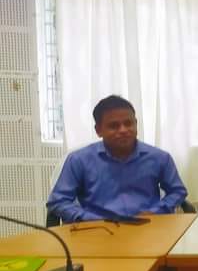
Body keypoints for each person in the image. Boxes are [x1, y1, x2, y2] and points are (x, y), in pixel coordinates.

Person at [47, 95, 188, 223]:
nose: (123, 130)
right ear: (98, 130)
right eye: (114, 126)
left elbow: (178, 191)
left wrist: (156, 212)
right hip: (98, 230)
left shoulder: (159, 158)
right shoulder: (79, 160)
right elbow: (58, 201)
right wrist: (88, 218)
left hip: (146, 226)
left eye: (128, 123)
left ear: (136, 124)